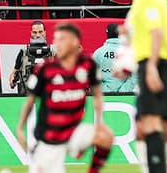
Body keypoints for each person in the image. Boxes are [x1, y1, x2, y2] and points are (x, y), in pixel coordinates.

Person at [16, 23, 114, 173]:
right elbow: (30, 101)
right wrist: (20, 128)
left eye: (62, 40)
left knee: (105, 136)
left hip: (74, 131)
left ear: (74, 42)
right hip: (50, 138)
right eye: (56, 40)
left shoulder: (88, 65)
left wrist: (100, 122)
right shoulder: (45, 69)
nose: (57, 44)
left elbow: (98, 94)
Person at [118, 0, 167, 173]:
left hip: (154, 63)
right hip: (156, 62)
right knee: (144, 124)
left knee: (149, 124)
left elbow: (156, 32)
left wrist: (150, 67)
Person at [93, 23, 135, 94]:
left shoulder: (98, 53)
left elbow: (92, 77)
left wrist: (104, 89)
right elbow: (135, 75)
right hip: (126, 96)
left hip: (104, 94)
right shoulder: (128, 51)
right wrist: (124, 90)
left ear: (107, 34)